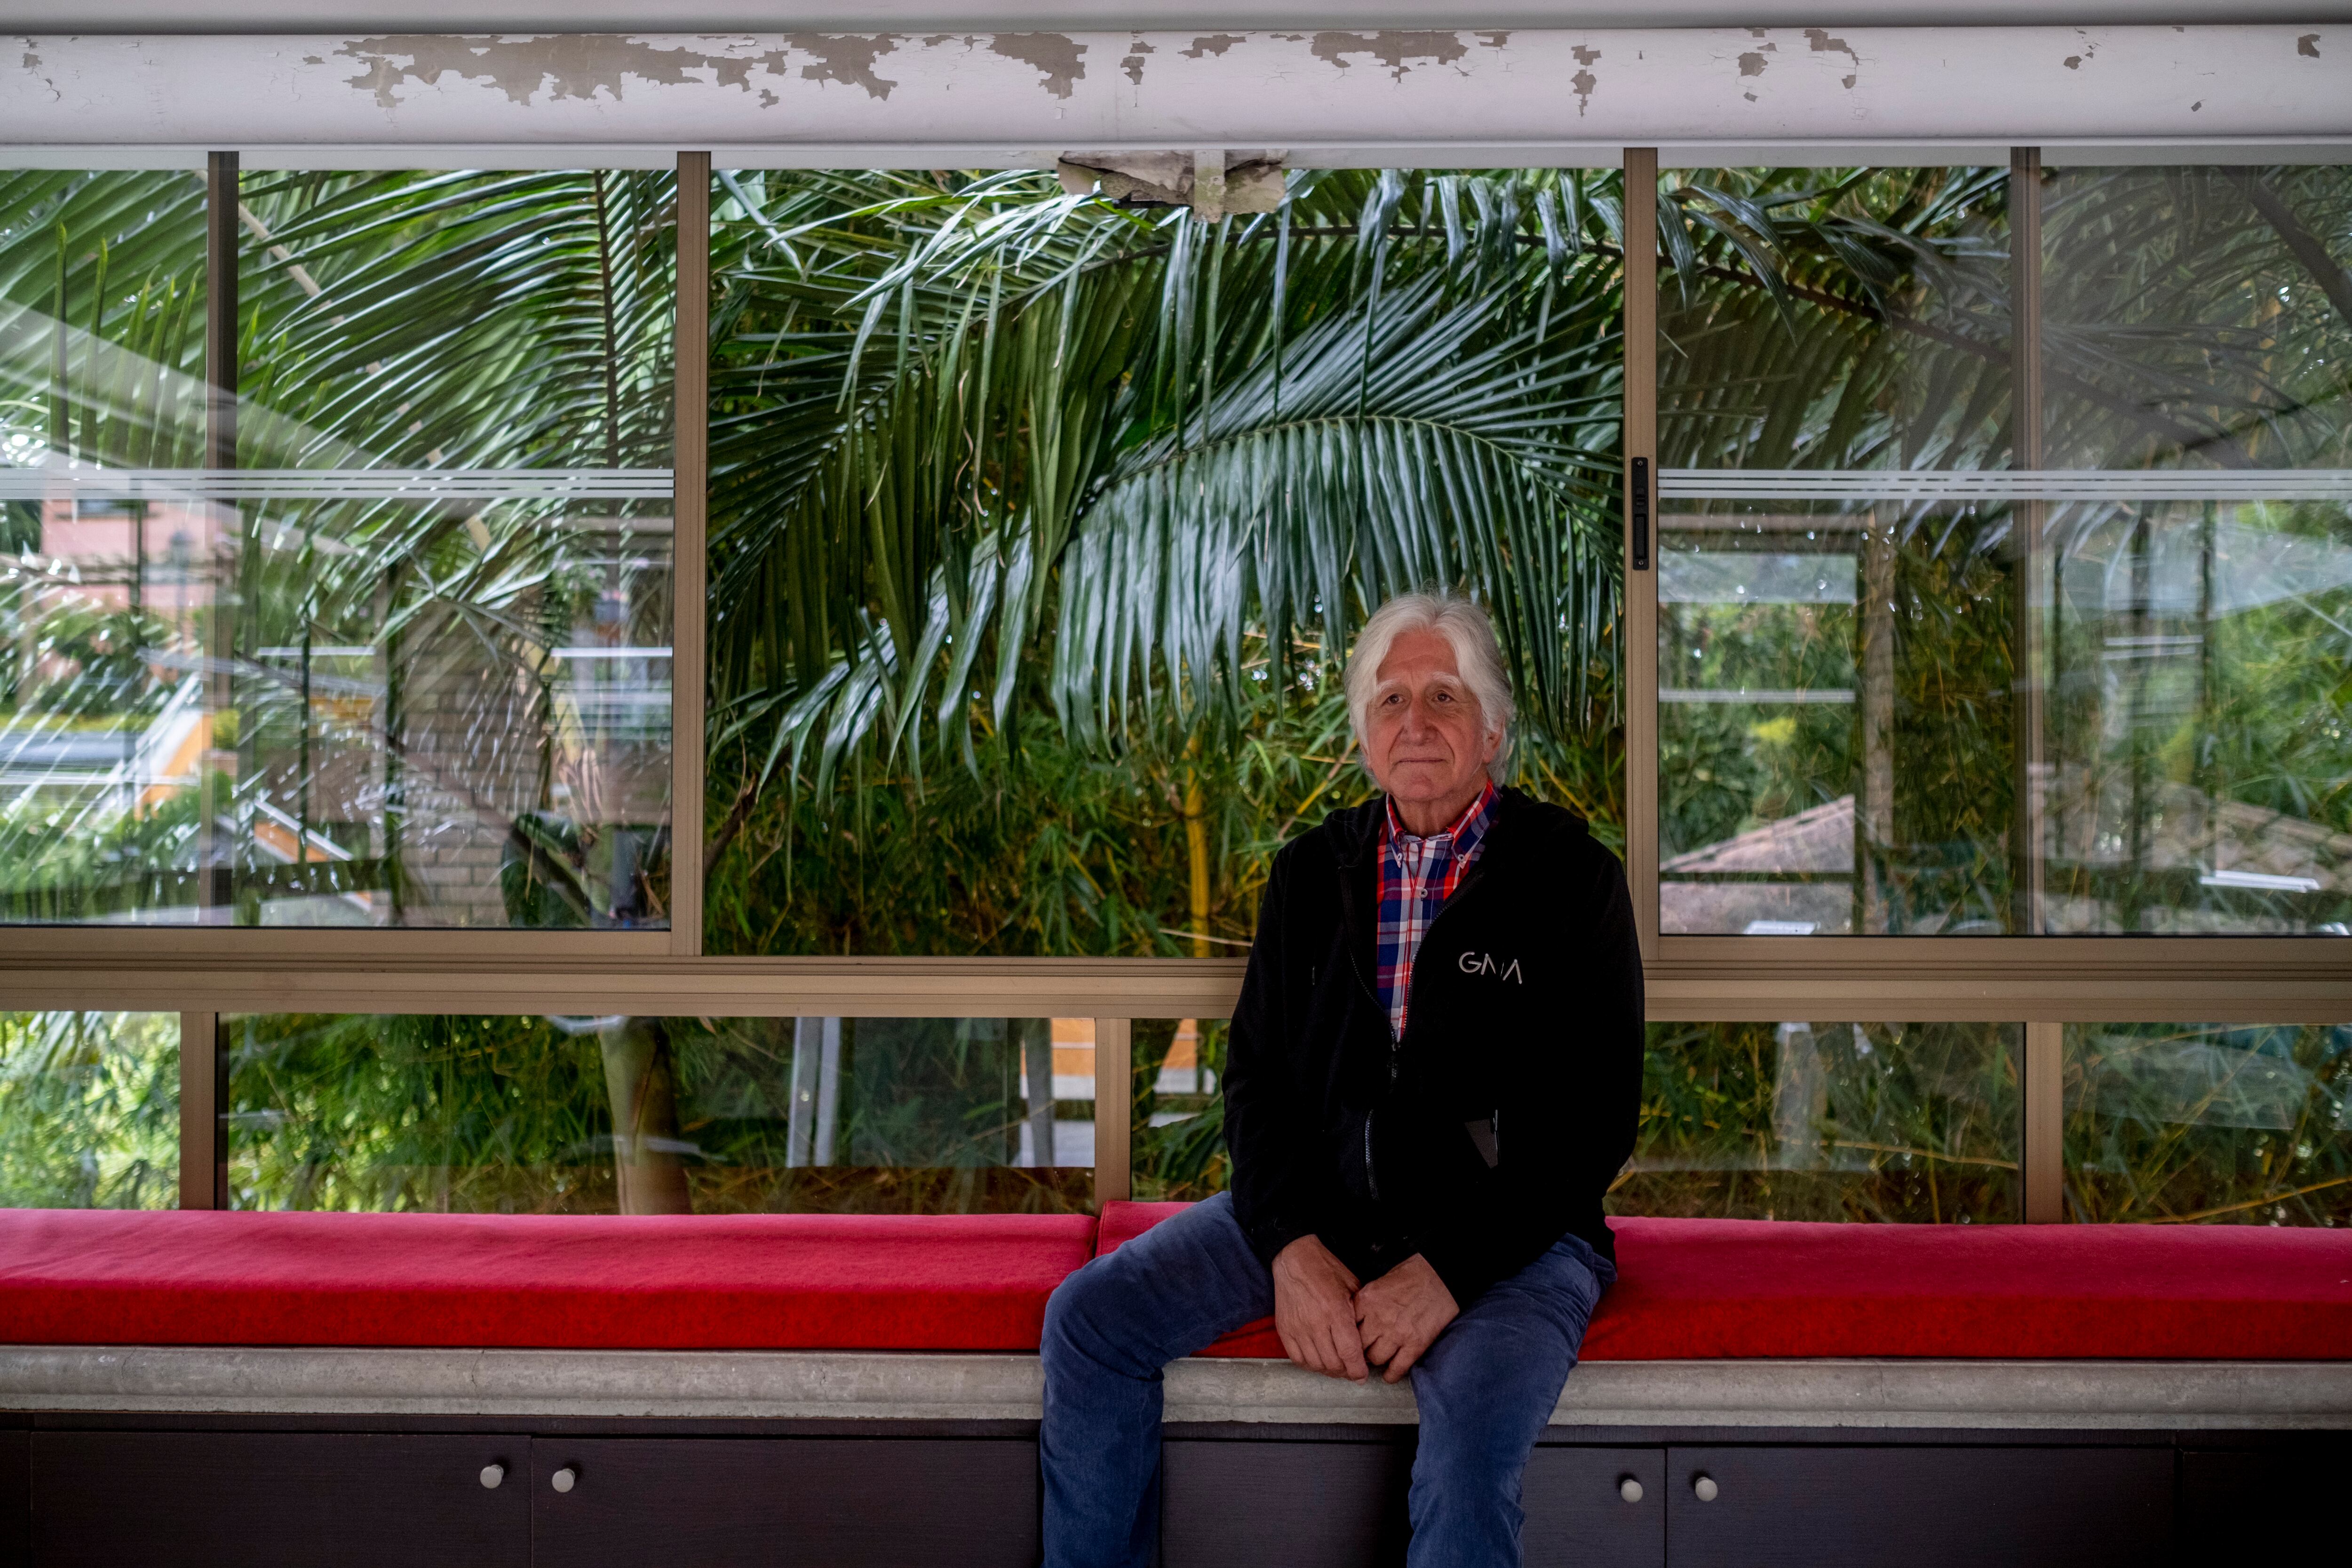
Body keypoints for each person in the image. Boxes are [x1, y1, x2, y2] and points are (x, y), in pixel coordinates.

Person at [1039, 589, 1645, 1568]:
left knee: (1465, 1464)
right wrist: (1288, 1244)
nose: (1416, 723)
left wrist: (1448, 1268)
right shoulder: (1309, 874)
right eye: (1390, 699)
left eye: (1445, 697)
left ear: (1491, 728)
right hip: (1321, 1214)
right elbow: (1256, 1085)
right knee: (1090, 1319)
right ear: (1364, 736)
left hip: (1512, 1244)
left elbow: (1594, 1120)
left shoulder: (1571, 880)